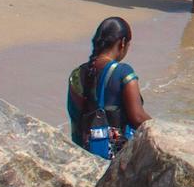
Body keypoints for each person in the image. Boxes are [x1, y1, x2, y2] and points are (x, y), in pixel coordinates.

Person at [65, 16, 154, 160]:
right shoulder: (123, 72)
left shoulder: (76, 74)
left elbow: (75, 116)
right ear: (122, 43)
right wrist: (163, 131)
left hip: (83, 153)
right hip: (114, 157)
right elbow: (137, 117)